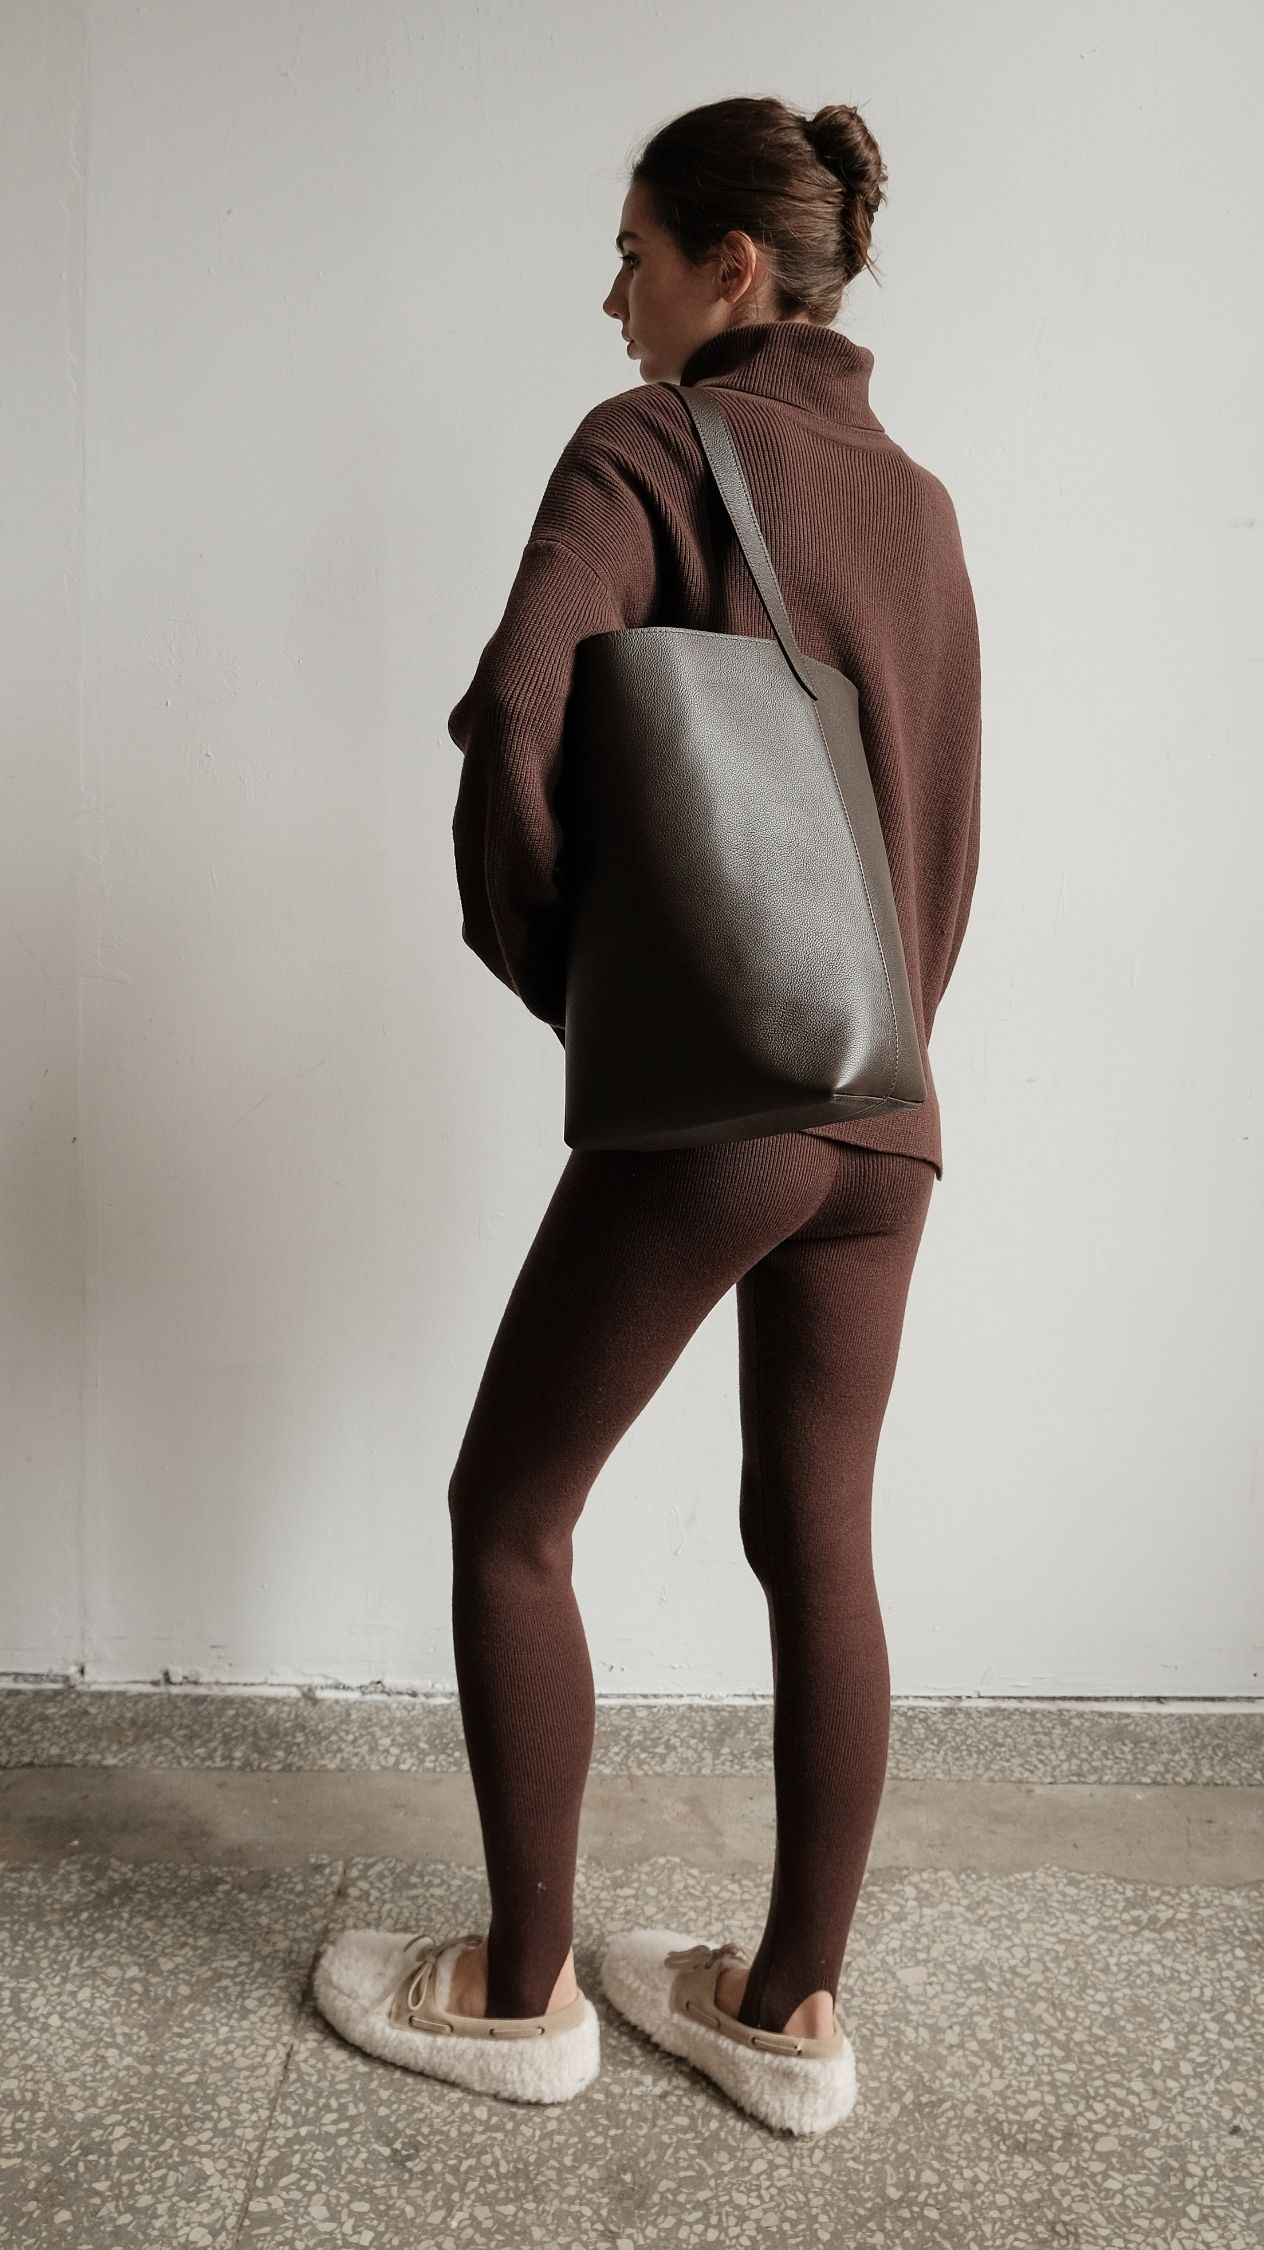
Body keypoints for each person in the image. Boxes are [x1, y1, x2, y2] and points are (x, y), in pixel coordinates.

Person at [313, 92, 983, 2138]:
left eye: (632, 253)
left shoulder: (648, 444)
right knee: (820, 1536)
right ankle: (787, 2010)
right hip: (887, 1110)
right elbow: (939, 840)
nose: (612, 297)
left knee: (510, 1516)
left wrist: (577, 986)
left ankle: (522, 1993)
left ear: (733, 268)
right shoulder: (922, 507)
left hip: (721, 1111)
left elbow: (521, 711)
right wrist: (872, 1047)